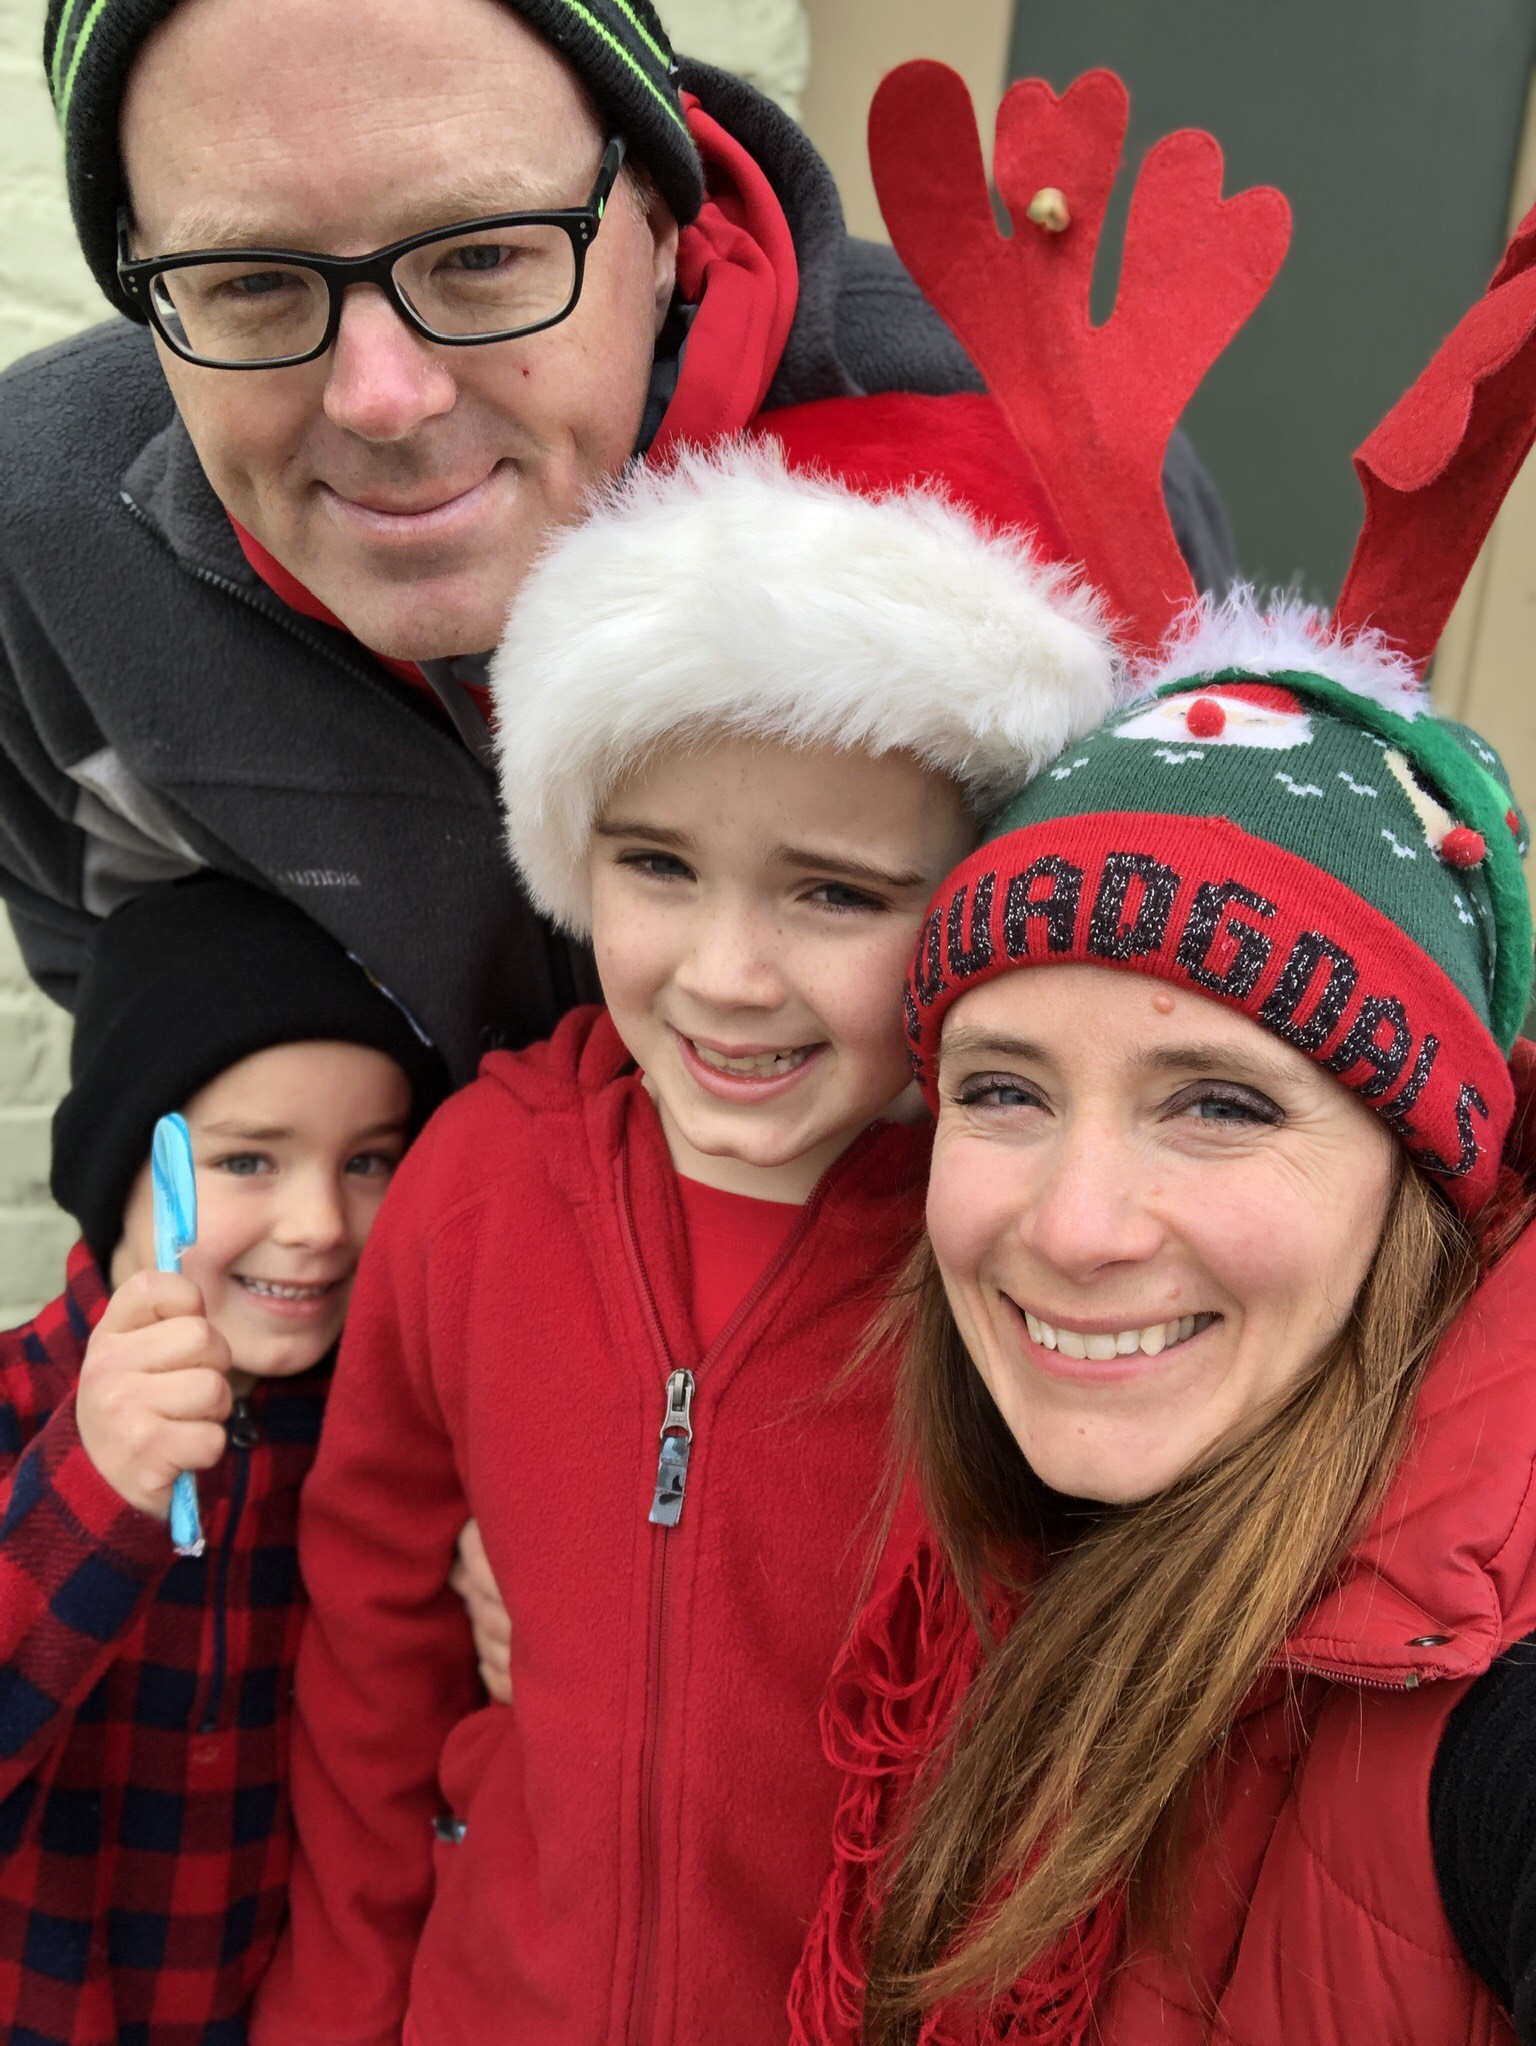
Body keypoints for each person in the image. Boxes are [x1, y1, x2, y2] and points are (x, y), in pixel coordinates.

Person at [245, 420, 1124, 2045]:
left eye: (834, 892)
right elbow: (372, 1647)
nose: (724, 974)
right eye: (658, 865)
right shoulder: (478, 1187)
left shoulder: (1026, 1257)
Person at [785, 158, 1536, 2045]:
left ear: (1417, 1169)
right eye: (1006, 1087)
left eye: (1217, 1101)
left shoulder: (1491, 1711)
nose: (1075, 1221)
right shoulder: (981, 1556)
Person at [0, 0, 1234, 1082]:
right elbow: (124, 964)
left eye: (482, 255)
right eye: (248, 280)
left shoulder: (1033, 440)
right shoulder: (43, 532)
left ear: (655, 214)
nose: (383, 397)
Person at [0, 873, 449, 2045]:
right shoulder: (11, 1407)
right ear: (122, 1168)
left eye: (369, 1159)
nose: (318, 1222)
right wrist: (93, 1486)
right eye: (250, 1160)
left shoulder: (387, 1447)